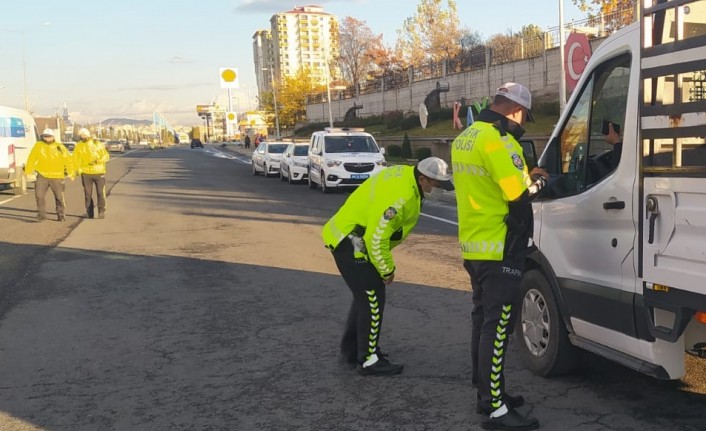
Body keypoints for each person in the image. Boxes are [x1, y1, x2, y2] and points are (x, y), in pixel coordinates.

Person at [451, 82, 547, 430]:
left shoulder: (467, 137)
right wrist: (540, 183)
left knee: (483, 318)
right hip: (500, 247)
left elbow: (488, 185)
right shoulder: (497, 140)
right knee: (499, 324)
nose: (522, 125)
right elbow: (517, 196)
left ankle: (487, 392)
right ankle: (495, 410)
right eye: (523, 118)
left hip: (474, 245)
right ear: (515, 111)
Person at [322, 157, 454, 376]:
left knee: (364, 296)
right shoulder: (401, 197)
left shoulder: (406, 175)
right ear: (423, 179)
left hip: (350, 233)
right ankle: (368, 360)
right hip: (352, 239)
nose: (440, 189)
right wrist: (387, 270)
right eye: (437, 185)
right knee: (373, 296)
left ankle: (353, 351)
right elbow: (376, 237)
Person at [25, 129, 75, 221]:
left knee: (59, 196)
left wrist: (71, 172)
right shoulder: (38, 145)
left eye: (49, 136)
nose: (47, 139)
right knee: (39, 195)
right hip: (42, 175)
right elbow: (31, 158)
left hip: (57, 176)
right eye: (45, 136)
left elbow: (68, 160)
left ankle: (61, 214)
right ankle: (41, 214)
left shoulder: (59, 147)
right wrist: (28, 171)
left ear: (53, 137)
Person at [73, 128, 110, 219]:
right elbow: (75, 159)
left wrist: (98, 161)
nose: (83, 137)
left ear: (88, 135)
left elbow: (106, 156)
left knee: (100, 193)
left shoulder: (96, 144)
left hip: (98, 172)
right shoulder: (79, 146)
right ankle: (90, 212)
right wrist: (77, 170)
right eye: (81, 135)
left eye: (84, 135)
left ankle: (101, 211)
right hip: (86, 173)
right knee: (87, 194)